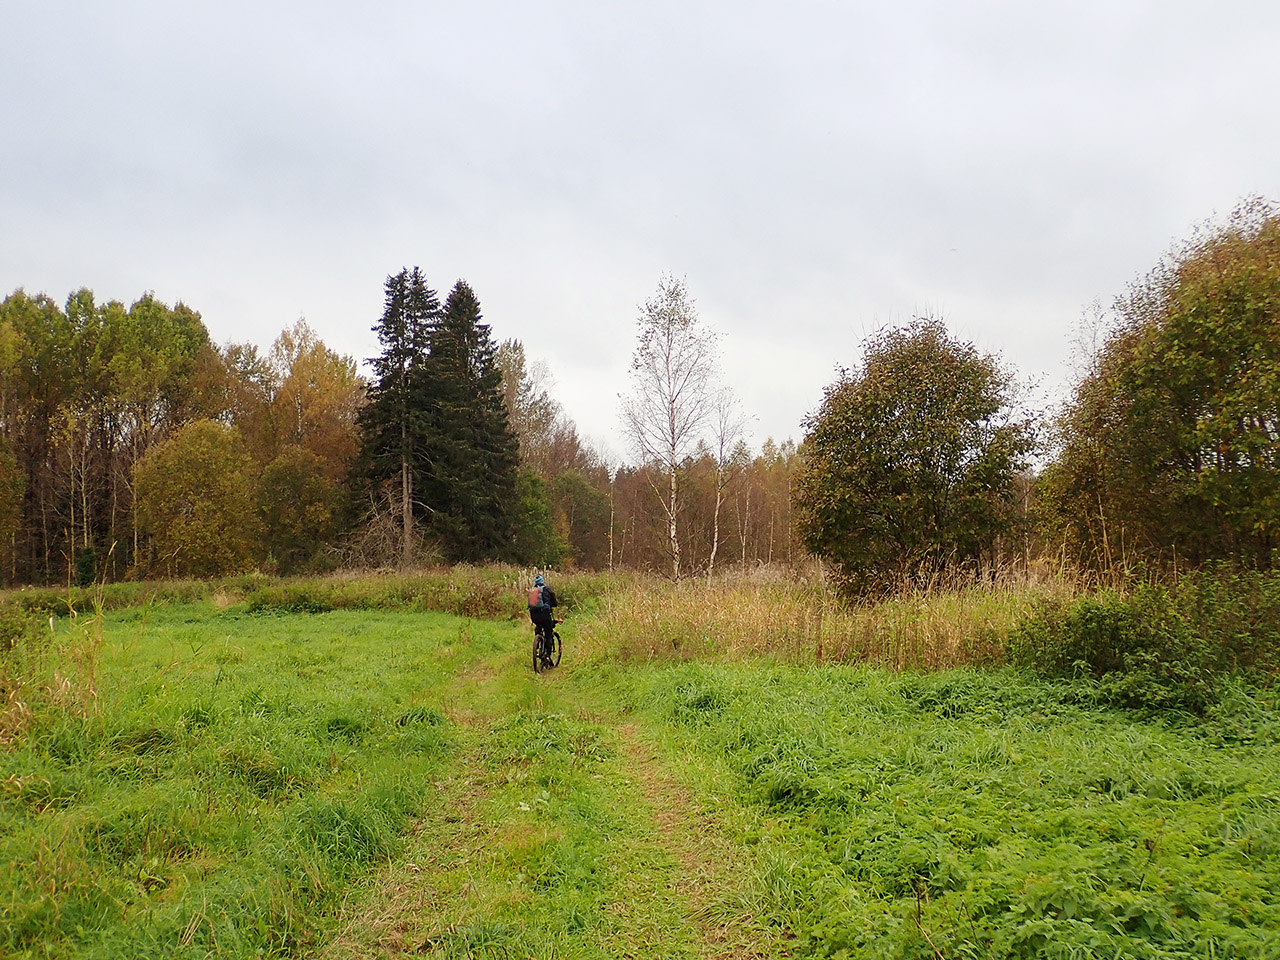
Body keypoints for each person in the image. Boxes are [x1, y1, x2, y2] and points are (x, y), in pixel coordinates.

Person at [527, 573, 558, 649]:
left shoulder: (532, 591)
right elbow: (554, 602)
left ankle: (537, 642)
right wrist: (553, 605)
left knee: (538, 626)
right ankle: (548, 652)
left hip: (534, 616)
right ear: (543, 581)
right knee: (548, 632)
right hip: (545, 615)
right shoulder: (547, 589)